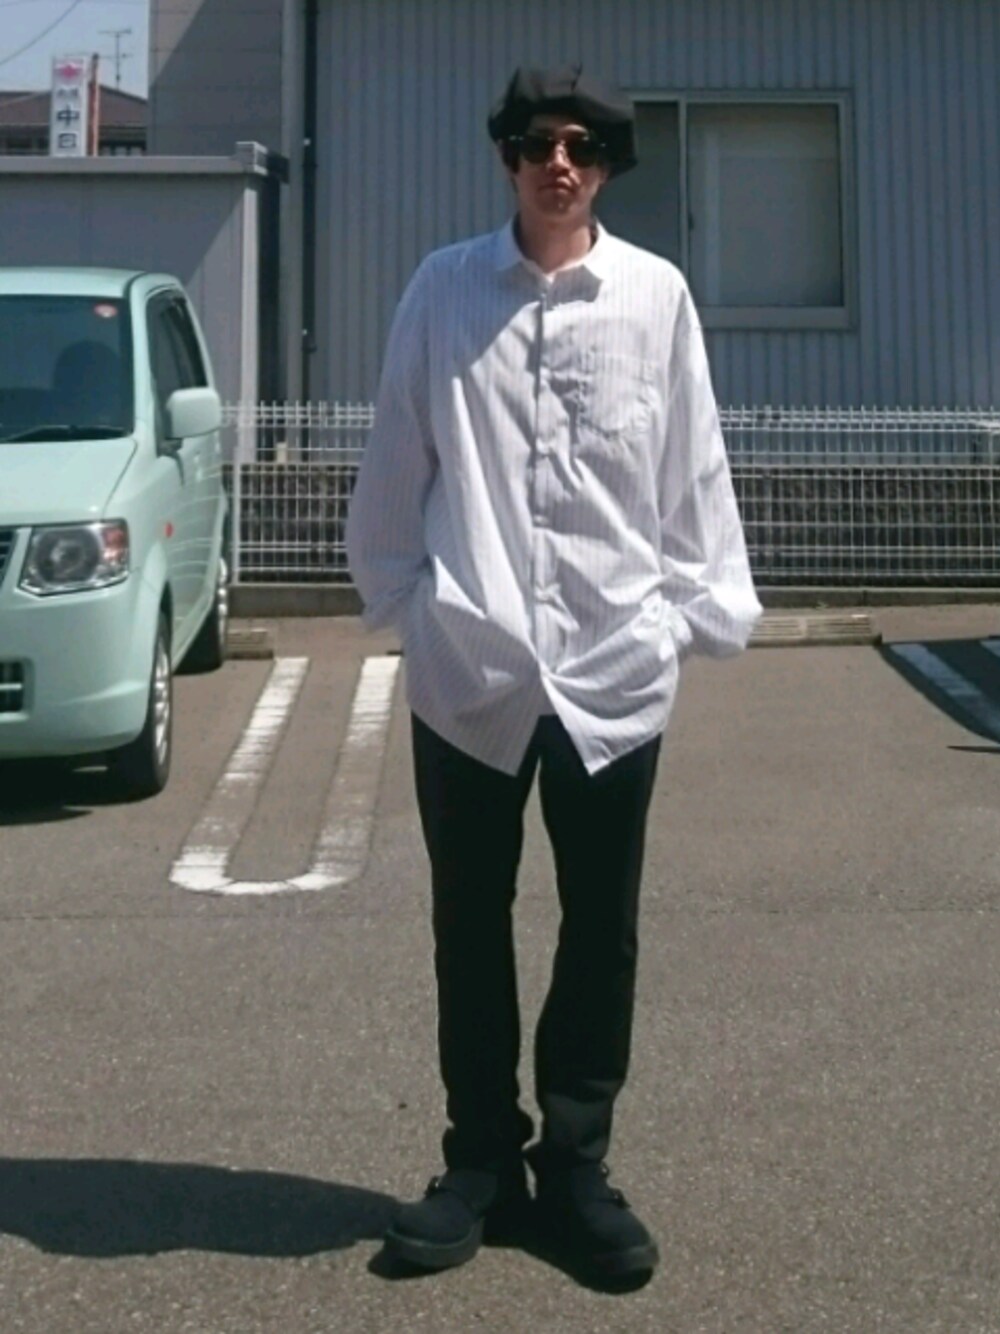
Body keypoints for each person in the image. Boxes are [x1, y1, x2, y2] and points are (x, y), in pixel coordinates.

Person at [346, 63, 762, 1280]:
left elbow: (690, 461)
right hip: (468, 666)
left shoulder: (654, 296)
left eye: (580, 145)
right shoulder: (444, 289)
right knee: (468, 919)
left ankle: (576, 1164)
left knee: (600, 924)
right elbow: (398, 446)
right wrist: (405, 604)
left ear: (608, 164)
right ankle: (479, 1158)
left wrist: (689, 612)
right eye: (537, 142)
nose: (558, 163)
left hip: (611, 666)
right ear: (508, 157)